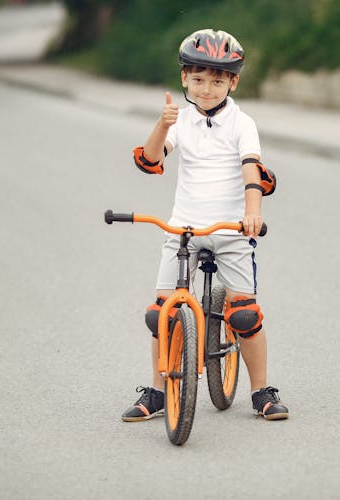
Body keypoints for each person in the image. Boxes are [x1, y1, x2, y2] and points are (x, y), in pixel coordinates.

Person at [122, 29, 288, 422]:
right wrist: (162, 125)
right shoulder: (179, 120)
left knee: (244, 314)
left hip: (231, 230)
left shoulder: (242, 123)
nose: (207, 89)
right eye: (198, 80)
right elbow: (149, 160)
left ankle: (261, 390)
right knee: (160, 312)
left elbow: (252, 170)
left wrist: (252, 213)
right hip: (183, 229)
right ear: (184, 79)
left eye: (217, 81)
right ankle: (158, 391)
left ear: (233, 81)